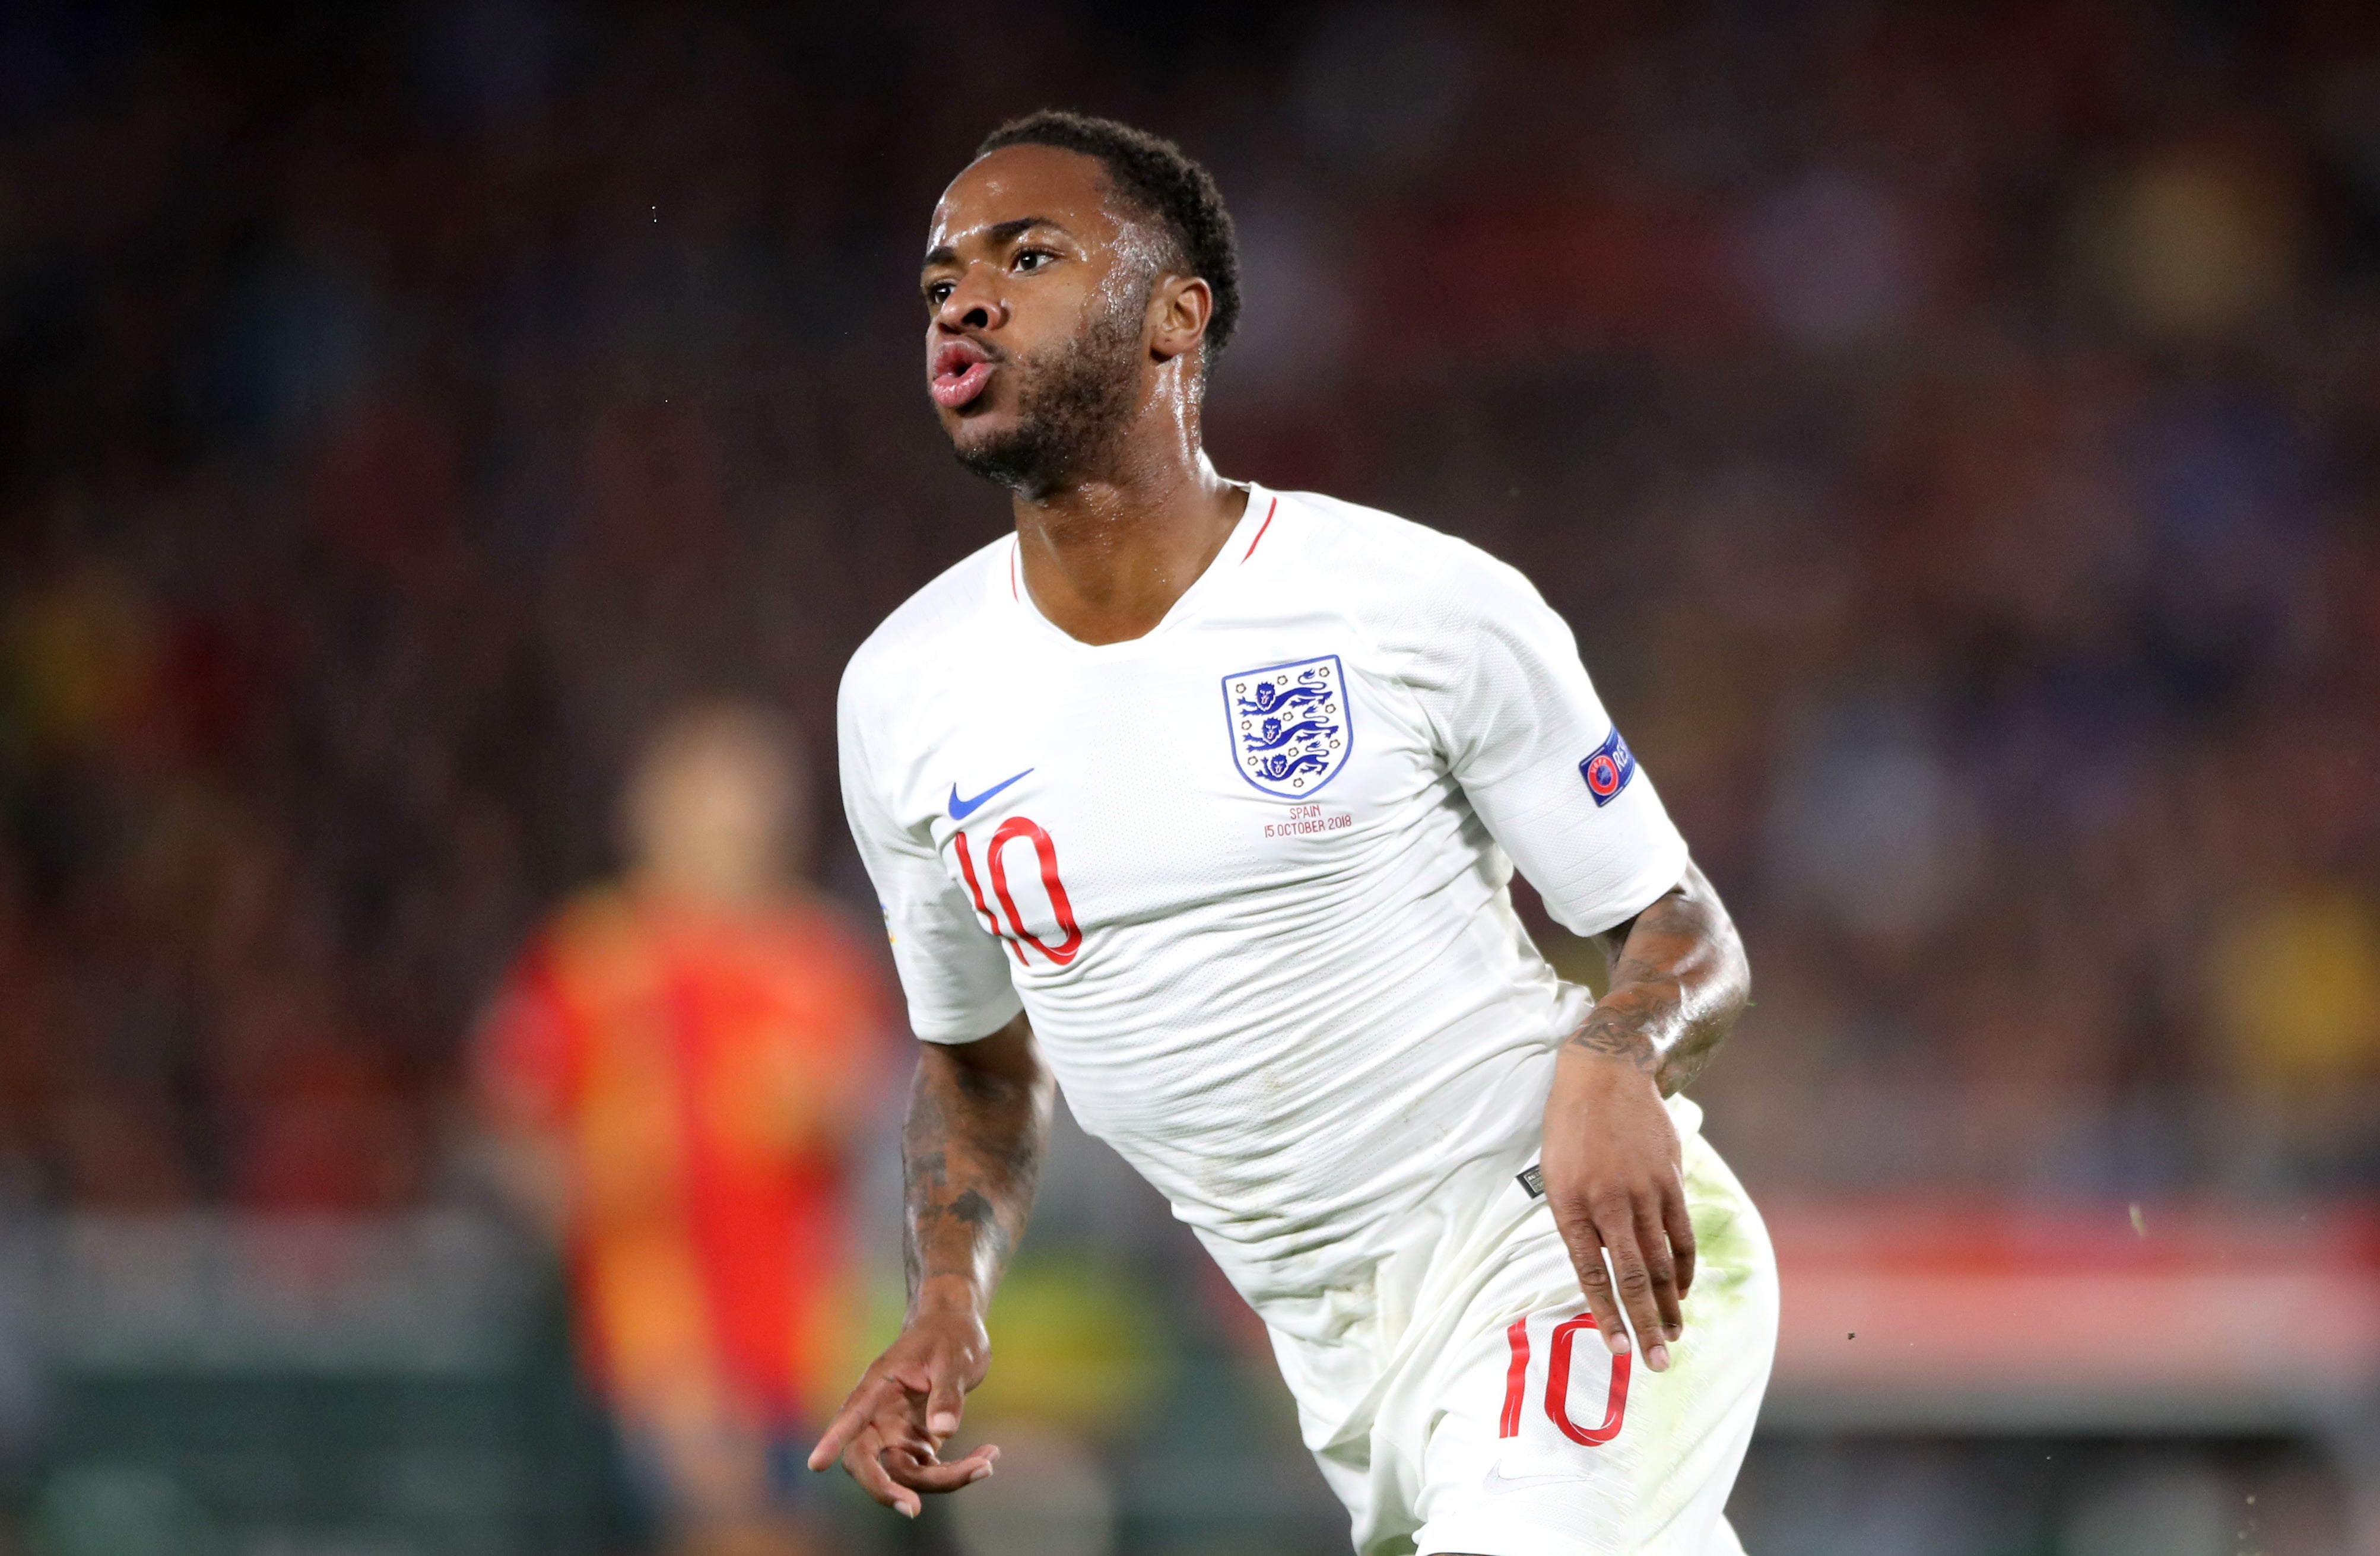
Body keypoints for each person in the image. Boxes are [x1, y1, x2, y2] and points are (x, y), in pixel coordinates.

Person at [816, 112, 1778, 1556]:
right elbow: (977, 1056)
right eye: (941, 276)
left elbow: (1679, 927)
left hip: (1561, 1257)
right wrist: (946, 1308)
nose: (963, 297)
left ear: (1172, 317)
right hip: (1333, 1370)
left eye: (1029, 255)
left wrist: (1612, 1049)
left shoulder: (1413, 606)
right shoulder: (901, 695)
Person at [476, 701, 891, 1556]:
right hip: (667, 1329)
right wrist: (583, 1192)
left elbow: (869, 1122)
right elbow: (513, 1112)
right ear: (655, 812)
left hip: (811, 1332)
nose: (740, 828)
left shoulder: (820, 958)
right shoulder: (600, 955)